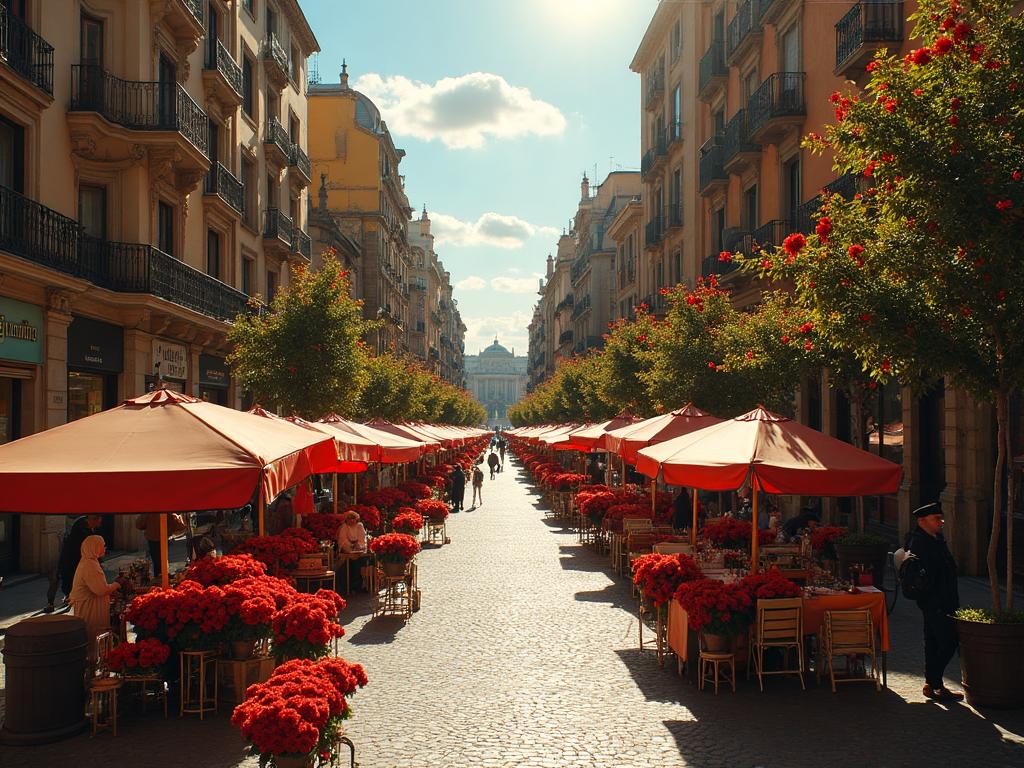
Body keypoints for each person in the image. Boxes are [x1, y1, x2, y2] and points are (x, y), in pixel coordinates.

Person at [907, 502, 963, 701]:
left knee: (932, 642)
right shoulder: (920, 542)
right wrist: (935, 600)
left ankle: (932, 685)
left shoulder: (935, 538)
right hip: (936, 602)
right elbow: (928, 575)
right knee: (949, 642)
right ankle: (935, 680)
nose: (941, 522)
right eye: (936, 518)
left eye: (941, 518)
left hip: (942, 600)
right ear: (922, 521)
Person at [68, 535, 120, 658]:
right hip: (90, 608)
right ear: (94, 547)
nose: (104, 548)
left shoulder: (90, 562)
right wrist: (117, 584)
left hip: (91, 605)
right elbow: (101, 590)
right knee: (93, 636)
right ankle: (94, 666)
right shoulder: (89, 565)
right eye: (102, 546)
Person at [47, 514, 104, 612]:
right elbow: (83, 545)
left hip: (76, 559)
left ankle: (68, 598)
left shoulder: (89, 527)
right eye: (99, 521)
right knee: (61, 578)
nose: (100, 523)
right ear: (92, 519)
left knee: (68, 579)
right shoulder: (82, 526)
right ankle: (51, 603)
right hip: (71, 558)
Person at [135, 513, 186, 579]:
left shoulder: (149, 511)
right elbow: (178, 525)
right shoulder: (165, 511)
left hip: (153, 538)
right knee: (161, 559)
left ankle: (160, 577)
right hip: (162, 537)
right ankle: (162, 576)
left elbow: (139, 524)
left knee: (157, 561)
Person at [336, 509, 369, 591]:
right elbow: (342, 540)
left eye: (353, 518)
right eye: (349, 518)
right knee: (351, 563)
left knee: (361, 561)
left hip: (360, 552)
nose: (351, 520)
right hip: (347, 552)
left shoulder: (360, 526)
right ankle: (351, 585)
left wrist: (359, 546)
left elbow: (363, 539)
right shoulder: (344, 527)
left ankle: (361, 584)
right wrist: (350, 546)